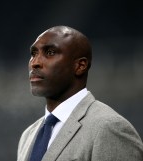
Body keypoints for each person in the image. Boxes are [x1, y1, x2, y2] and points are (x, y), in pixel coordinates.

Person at [17, 26, 143, 161]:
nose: (35, 63)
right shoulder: (28, 135)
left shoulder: (109, 128)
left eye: (50, 52)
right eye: (33, 54)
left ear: (80, 66)